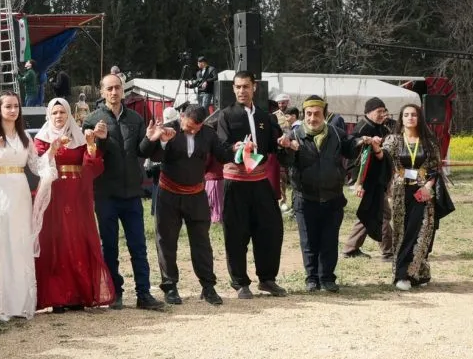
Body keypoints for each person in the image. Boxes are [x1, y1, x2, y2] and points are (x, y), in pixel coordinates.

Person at [0, 92, 56, 321]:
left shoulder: (25, 137)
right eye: (7, 106)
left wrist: (52, 151)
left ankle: (19, 303)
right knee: (0, 242)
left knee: (19, 243)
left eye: (16, 106)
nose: (13, 110)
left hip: (19, 192)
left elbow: (37, 166)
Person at [140, 106, 234, 306]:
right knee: (166, 241)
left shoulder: (207, 133)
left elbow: (223, 155)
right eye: (189, 127)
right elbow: (147, 153)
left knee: (202, 242)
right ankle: (170, 286)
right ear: (182, 117)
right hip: (169, 194)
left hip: (195, 195)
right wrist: (158, 140)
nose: (192, 131)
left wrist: (237, 148)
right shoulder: (168, 129)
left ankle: (208, 286)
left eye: (196, 128)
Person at [82, 74, 162, 311]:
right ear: (102, 92)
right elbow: (91, 157)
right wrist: (101, 140)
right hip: (105, 194)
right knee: (110, 246)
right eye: (110, 88)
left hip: (132, 194)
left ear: (123, 91)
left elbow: (140, 151)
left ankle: (143, 294)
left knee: (138, 246)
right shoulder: (92, 120)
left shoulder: (136, 118)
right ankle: (114, 293)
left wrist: (149, 139)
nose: (114, 92)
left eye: (118, 88)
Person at [214, 71, 292, 299]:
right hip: (236, 182)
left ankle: (267, 279)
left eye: (245, 86)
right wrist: (235, 149)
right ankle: (240, 282)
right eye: (237, 87)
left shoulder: (266, 117)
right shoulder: (225, 116)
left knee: (271, 229)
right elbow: (220, 149)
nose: (241, 91)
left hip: (260, 180)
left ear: (254, 87)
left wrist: (283, 143)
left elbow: (274, 147)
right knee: (236, 232)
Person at [359, 103, 453, 291]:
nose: (410, 118)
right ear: (401, 118)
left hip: (423, 192)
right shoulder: (393, 140)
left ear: (419, 118)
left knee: (423, 231)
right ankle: (401, 275)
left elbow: (435, 168)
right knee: (403, 233)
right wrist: (377, 148)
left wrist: (428, 187)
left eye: (414, 115)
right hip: (401, 193)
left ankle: (416, 272)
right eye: (406, 115)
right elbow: (383, 160)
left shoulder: (428, 142)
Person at [32, 98, 113, 313]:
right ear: (49, 115)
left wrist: (91, 144)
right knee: (56, 242)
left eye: (63, 112)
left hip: (77, 195)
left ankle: (79, 294)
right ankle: (57, 296)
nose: (59, 116)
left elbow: (92, 166)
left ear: (69, 114)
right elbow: (37, 164)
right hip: (54, 195)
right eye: (55, 112)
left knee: (77, 240)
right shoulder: (41, 139)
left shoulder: (79, 135)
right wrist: (52, 150)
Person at [287, 96, 369, 293]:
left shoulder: (336, 133)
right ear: (304, 114)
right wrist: (286, 148)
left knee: (329, 240)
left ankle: (327, 278)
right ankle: (311, 278)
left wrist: (361, 142)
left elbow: (350, 149)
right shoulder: (294, 135)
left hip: (332, 198)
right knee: (308, 241)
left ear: (324, 114)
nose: (312, 118)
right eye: (308, 114)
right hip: (304, 198)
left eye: (317, 114)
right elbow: (284, 161)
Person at [343, 98, 394, 260]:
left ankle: (351, 248)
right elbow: (355, 159)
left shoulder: (382, 127)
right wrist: (359, 183)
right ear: (368, 112)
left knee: (369, 211)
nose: (382, 114)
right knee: (383, 213)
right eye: (379, 111)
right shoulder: (362, 129)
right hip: (368, 179)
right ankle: (389, 251)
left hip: (379, 177)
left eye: (384, 111)